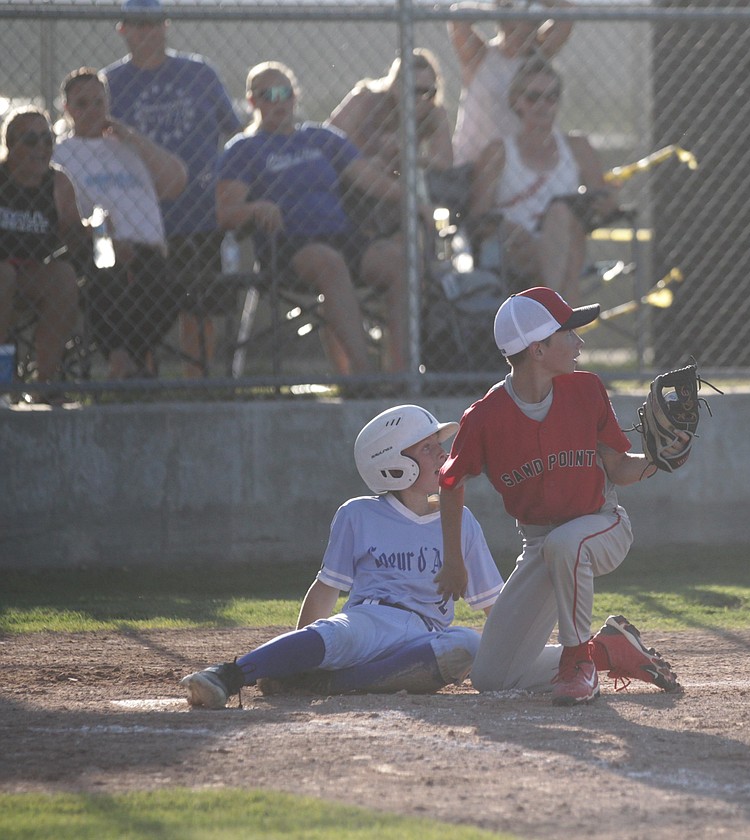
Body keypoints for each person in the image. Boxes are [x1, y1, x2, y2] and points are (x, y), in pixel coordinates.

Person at [436, 286, 683, 705]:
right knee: (494, 675)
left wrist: (660, 458)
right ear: (537, 349)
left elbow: (619, 469)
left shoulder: (585, 390)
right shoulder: (485, 417)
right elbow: (450, 482)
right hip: (540, 545)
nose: (579, 342)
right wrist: (454, 561)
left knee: (566, 544)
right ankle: (608, 650)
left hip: (603, 525)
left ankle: (578, 666)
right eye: (568, 332)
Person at [181, 404, 503, 709]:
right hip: (370, 620)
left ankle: (331, 683)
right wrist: (299, 652)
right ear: (392, 462)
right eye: (427, 448)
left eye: (438, 445)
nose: (442, 454)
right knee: (334, 634)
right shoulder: (359, 513)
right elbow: (327, 588)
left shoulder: (461, 521)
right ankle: (228, 675)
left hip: (425, 636)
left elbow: (494, 604)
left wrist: (519, 658)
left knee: (466, 644)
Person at [217, 62, 411, 375]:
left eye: (285, 93)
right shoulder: (243, 149)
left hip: (340, 234)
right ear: (252, 102)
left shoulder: (321, 138)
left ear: (295, 97)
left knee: (396, 260)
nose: (278, 102)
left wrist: (414, 199)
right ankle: (363, 375)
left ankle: (402, 373)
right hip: (287, 244)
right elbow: (225, 213)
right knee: (329, 262)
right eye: (268, 95)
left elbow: (370, 180)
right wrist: (255, 209)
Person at [103, 0, 243, 377]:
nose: (145, 31)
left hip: (198, 212)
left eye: (152, 23)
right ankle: (142, 383)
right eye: (136, 23)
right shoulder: (110, 83)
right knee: (142, 307)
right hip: (139, 218)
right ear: (122, 29)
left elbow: (234, 136)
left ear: (166, 26)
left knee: (198, 306)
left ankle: (196, 383)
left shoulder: (199, 73)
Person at [53, 67, 189, 379]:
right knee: (107, 273)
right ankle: (122, 359)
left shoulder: (128, 146)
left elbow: (176, 181)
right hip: (97, 240)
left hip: (148, 245)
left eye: (98, 103)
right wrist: (106, 238)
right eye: (81, 104)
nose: (91, 111)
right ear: (67, 109)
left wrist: (132, 137)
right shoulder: (61, 152)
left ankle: (130, 358)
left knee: (168, 286)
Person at [327, 48, 455, 371]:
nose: (422, 99)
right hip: (349, 206)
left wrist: (411, 154)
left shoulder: (433, 115)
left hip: (398, 211)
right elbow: (327, 144)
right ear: (395, 85)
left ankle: (401, 372)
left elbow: (445, 164)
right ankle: (350, 377)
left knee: (408, 266)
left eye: (430, 91)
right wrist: (373, 153)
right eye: (414, 90)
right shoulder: (367, 99)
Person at [468, 56, 616, 303]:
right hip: (512, 245)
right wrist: (507, 229)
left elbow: (602, 202)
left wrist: (608, 201)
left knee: (561, 216)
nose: (543, 105)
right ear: (516, 102)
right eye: (533, 97)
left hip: (563, 240)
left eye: (551, 97)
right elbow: (478, 218)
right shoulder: (499, 152)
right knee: (565, 254)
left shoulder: (578, 147)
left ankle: (550, 319)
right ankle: (561, 325)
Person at [0, 108, 84, 394]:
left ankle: (44, 383)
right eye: (31, 140)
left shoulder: (58, 183)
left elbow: (74, 237)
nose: (41, 148)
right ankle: (2, 380)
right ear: (10, 145)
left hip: (32, 273)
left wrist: (91, 228)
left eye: (47, 140)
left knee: (64, 276)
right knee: (4, 275)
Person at [449, 0, 575, 167]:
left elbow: (569, 11)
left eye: (531, 26)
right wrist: (502, 6)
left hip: (520, 165)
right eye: (513, 28)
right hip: (474, 160)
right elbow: (458, 15)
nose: (522, 34)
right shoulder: (480, 55)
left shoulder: (540, 56)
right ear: (502, 24)